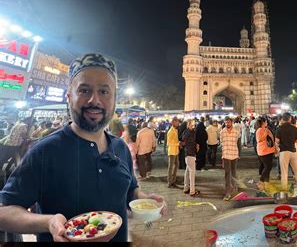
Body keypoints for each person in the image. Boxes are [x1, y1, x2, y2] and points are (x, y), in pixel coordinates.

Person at [0, 53, 166, 242]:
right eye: (84, 90)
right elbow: (4, 212)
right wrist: (48, 222)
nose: (94, 100)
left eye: (104, 91)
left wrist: (144, 199)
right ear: (69, 96)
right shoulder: (45, 151)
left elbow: (130, 191)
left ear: (114, 99)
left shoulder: (120, 148)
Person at [275, 112, 297, 191]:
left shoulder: (279, 128)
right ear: (290, 119)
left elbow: (277, 141)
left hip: (283, 152)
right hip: (293, 151)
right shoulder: (295, 128)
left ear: (282, 119)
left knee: (284, 173)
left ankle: (284, 190)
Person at [221, 116, 240, 201]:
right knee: (227, 174)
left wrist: (239, 153)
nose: (227, 124)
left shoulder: (236, 132)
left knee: (234, 173)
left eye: (228, 122)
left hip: (234, 154)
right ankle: (227, 192)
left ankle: (235, 188)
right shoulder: (222, 132)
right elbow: (222, 143)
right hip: (226, 155)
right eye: (226, 122)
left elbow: (238, 143)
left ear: (231, 122)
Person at [255, 117, 276, 191]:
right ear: (263, 123)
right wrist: (265, 133)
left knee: (268, 167)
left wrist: (275, 149)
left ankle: (266, 182)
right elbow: (259, 140)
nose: (267, 123)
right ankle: (261, 181)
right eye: (266, 122)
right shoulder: (259, 130)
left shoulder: (267, 129)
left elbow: (272, 139)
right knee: (267, 167)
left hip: (269, 150)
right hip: (263, 151)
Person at [182, 119, 200, 196]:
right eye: (191, 124)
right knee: (192, 172)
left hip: (191, 153)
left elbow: (192, 140)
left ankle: (186, 188)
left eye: (193, 123)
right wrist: (189, 129)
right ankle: (192, 190)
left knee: (188, 171)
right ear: (188, 124)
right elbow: (184, 138)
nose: (193, 125)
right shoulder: (187, 131)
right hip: (189, 153)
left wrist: (196, 144)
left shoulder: (193, 132)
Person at [166, 117, 180, 188]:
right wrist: (178, 144)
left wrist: (178, 143)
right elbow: (169, 143)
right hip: (172, 151)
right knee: (171, 167)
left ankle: (173, 180)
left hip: (176, 151)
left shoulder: (175, 130)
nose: (178, 123)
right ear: (173, 122)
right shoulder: (171, 131)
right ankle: (169, 181)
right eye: (177, 122)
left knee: (177, 165)